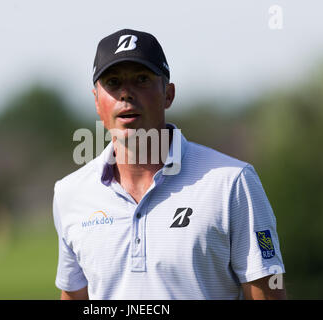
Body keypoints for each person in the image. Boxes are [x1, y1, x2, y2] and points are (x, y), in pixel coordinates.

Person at [52, 28, 286, 300]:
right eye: (113, 82)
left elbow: (267, 293)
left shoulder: (232, 182)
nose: (126, 94)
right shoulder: (69, 193)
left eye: (141, 79)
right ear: (96, 101)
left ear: (168, 94)